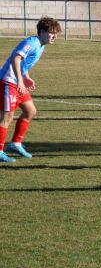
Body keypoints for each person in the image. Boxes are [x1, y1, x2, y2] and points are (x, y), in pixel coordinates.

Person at [0, 16, 61, 162]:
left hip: (17, 82)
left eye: (56, 33)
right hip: (8, 81)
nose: (55, 36)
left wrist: (26, 77)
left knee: (30, 111)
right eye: (52, 33)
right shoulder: (31, 42)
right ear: (41, 31)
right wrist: (20, 82)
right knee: (6, 117)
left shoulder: (41, 45)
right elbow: (16, 58)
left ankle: (15, 143)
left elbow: (23, 63)